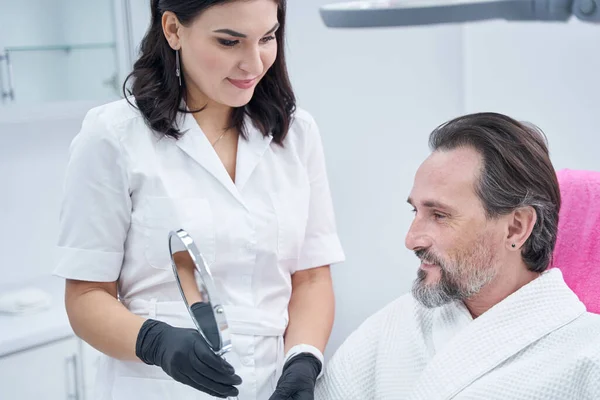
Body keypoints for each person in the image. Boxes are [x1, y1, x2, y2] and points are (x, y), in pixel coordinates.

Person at [53, 1, 345, 399]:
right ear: (173, 29)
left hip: (269, 385)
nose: (254, 64)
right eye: (229, 42)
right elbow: (86, 296)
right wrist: (154, 342)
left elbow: (311, 277)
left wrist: (304, 361)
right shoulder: (114, 136)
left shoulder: (296, 135)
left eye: (268, 38)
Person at [314, 112, 600, 399]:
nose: (411, 239)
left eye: (439, 215)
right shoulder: (394, 325)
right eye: (416, 211)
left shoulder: (587, 356)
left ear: (515, 228)